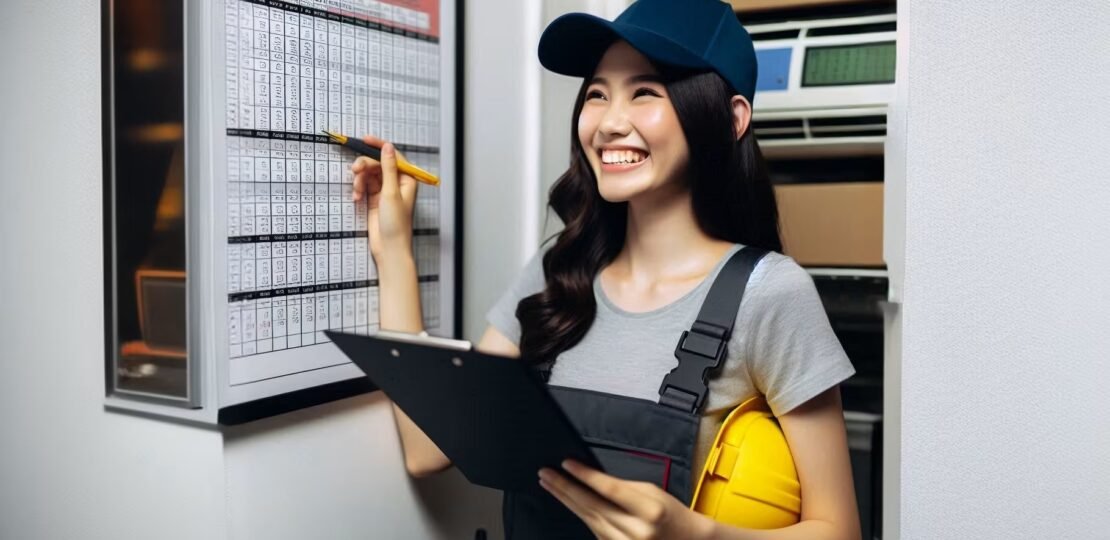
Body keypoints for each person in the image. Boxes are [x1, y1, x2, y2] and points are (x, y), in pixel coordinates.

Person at [350, 0, 861, 538]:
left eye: (645, 92)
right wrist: (396, 252)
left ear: (731, 118)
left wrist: (693, 534)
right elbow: (427, 450)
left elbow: (839, 529)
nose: (609, 123)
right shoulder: (558, 273)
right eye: (597, 94)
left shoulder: (769, 293)